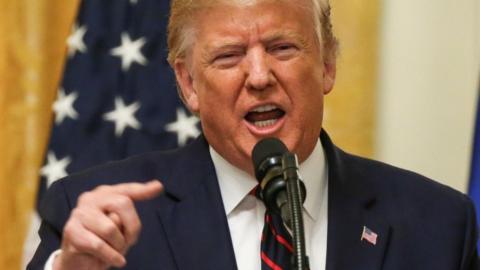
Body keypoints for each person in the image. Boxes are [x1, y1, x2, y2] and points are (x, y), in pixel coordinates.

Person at [28, 0, 479, 269]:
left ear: (327, 64)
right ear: (188, 84)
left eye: (282, 48)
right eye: (228, 56)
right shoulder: (93, 223)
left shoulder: (437, 224)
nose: (259, 75)